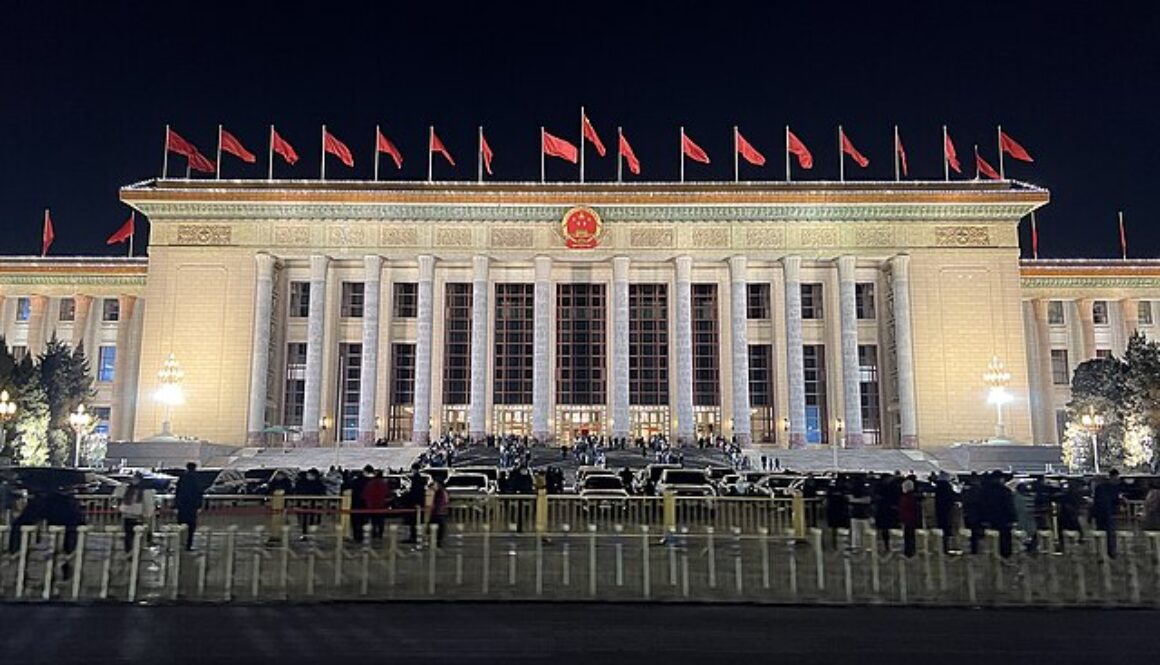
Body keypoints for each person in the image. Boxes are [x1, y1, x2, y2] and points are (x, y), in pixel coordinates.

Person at [113, 473, 156, 552]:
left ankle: (131, 552)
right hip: (135, 516)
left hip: (132, 515)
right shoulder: (143, 490)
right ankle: (133, 552)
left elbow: (118, 497)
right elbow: (148, 504)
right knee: (134, 535)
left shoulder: (128, 489)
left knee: (130, 535)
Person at [1091, 469, 1123, 558]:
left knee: (1101, 532)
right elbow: (1116, 501)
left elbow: (1095, 501)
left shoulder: (1100, 487)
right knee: (1110, 534)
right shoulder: (1115, 488)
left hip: (1099, 513)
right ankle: (1111, 552)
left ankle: (1100, 551)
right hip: (1108, 513)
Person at [174, 462, 205, 551]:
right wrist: (199, 505)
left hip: (182, 505)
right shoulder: (197, 478)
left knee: (181, 525)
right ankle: (188, 545)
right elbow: (199, 493)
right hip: (192, 506)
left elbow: (178, 492)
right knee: (191, 526)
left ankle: (180, 543)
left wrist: (176, 505)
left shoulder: (182, 478)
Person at [362, 469, 390, 541]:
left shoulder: (370, 483)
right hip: (382, 505)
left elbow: (366, 494)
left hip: (372, 505)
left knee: (374, 521)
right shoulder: (384, 484)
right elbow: (387, 494)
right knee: (381, 521)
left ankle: (374, 533)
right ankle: (380, 534)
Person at [899, 478, 920, 557]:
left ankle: (909, 552)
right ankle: (911, 551)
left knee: (908, 537)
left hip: (908, 520)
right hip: (912, 519)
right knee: (911, 537)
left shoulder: (906, 498)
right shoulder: (913, 497)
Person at [428, 479, 450, 548]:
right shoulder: (442, 492)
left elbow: (441, 503)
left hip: (438, 513)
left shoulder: (440, 492)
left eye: (435, 485)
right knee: (439, 530)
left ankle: (437, 542)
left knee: (435, 529)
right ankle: (437, 542)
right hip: (440, 513)